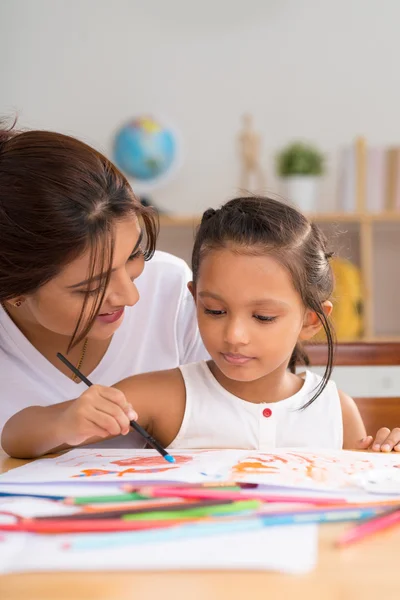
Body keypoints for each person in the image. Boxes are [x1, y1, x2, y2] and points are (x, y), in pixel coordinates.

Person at [4, 196, 400, 458]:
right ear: (194, 298)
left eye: (262, 317)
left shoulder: (336, 409)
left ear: (311, 320)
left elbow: (353, 494)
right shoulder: (161, 396)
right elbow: (16, 438)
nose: (234, 335)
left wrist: (379, 460)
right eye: (214, 310)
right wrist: (65, 421)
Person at [0, 123, 207, 450]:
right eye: (91, 287)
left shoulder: (172, 288)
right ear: (14, 293)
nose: (131, 295)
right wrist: (60, 424)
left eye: (135, 255)